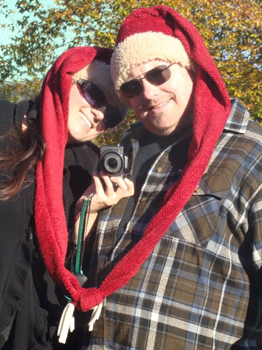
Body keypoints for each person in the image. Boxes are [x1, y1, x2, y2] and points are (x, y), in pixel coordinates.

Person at [59, 5, 262, 350]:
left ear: (192, 67)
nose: (148, 93)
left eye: (159, 74)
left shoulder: (250, 154)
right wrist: (86, 215)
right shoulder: (123, 152)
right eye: (132, 86)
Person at [0, 45, 134, 350]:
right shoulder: (2, 121)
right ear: (66, 76)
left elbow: (73, 272)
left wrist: (86, 213)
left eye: (112, 116)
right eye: (94, 95)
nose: (99, 114)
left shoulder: (88, 169)